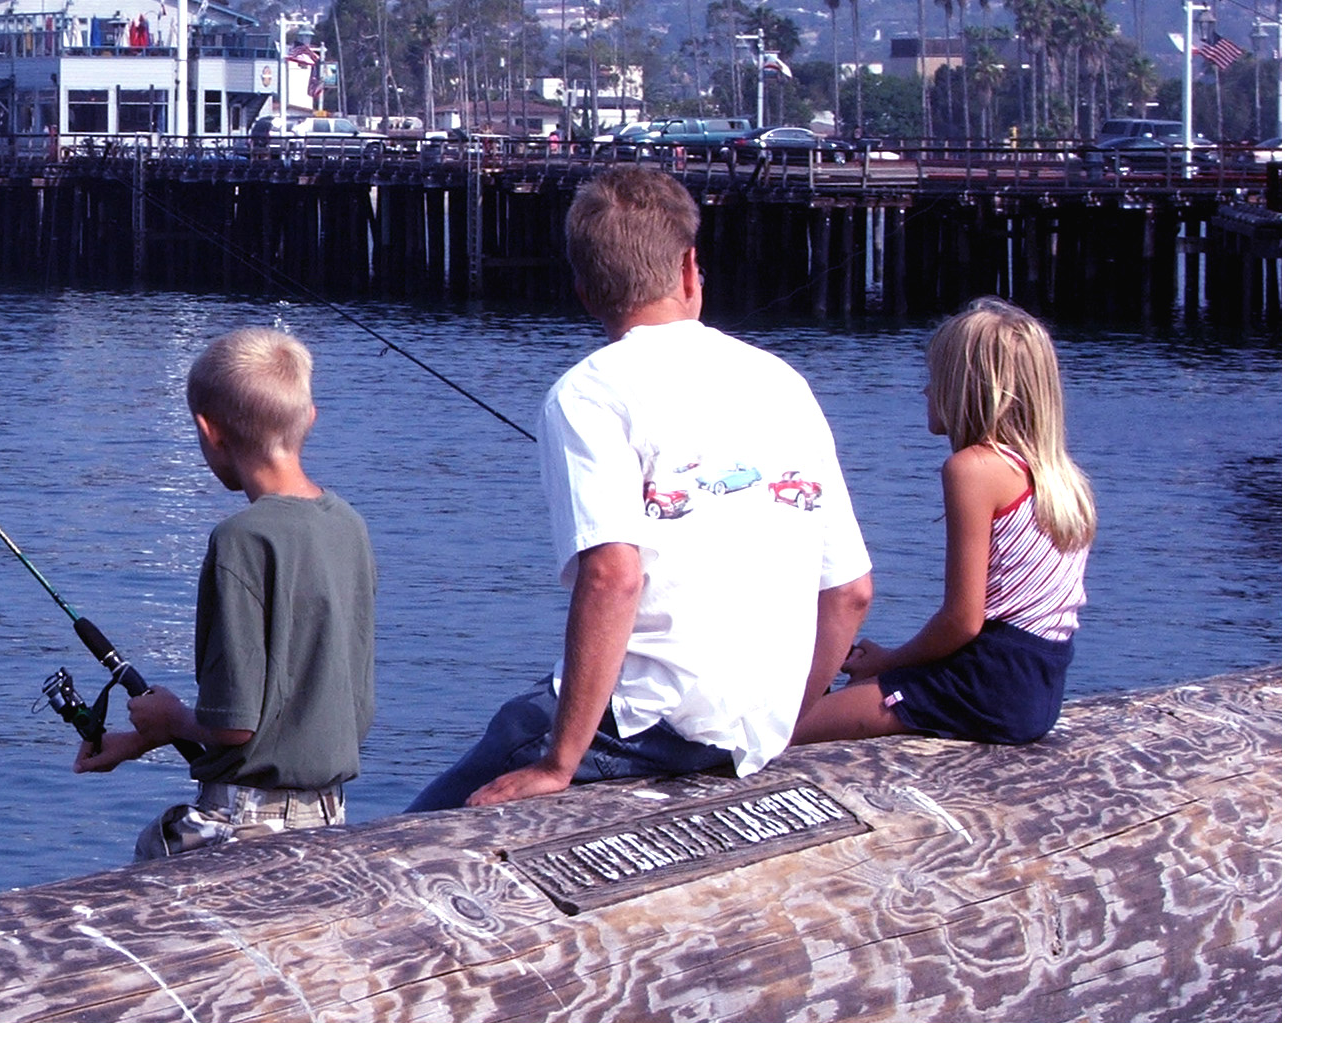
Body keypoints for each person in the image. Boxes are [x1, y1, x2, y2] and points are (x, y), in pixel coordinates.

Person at [407, 167, 873, 811]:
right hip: (752, 734)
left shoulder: (589, 390)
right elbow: (851, 593)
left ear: (584, 291)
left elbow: (612, 577)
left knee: (432, 817)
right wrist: (782, 726)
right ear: (690, 268)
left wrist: (559, 763)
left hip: (646, 726)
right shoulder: (784, 383)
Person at [73, 328, 377, 861]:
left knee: (142, 867)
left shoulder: (241, 539)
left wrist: (171, 721)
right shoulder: (348, 525)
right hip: (331, 818)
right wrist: (144, 740)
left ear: (209, 432)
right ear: (309, 417)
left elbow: (234, 725)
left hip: (246, 824)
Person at [795, 298, 1094, 747]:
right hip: (1036, 685)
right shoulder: (1059, 478)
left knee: (781, 731)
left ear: (968, 388)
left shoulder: (973, 470)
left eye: (935, 378)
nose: (926, 392)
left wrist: (887, 662)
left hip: (984, 683)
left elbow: (962, 620)